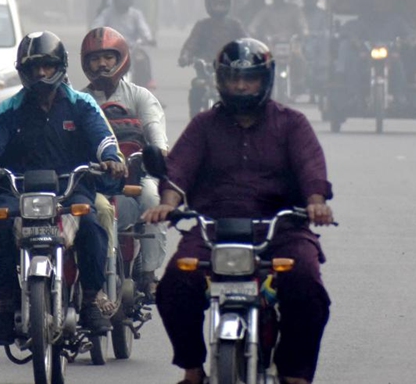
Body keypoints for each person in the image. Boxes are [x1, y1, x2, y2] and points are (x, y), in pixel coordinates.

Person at [142, 38, 334, 384]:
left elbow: (310, 167)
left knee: (306, 284)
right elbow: (179, 169)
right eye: (233, 78)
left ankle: (294, 373)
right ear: (221, 80)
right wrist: (167, 205)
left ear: (266, 79)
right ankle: (192, 369)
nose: (241, 86)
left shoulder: (292, 123)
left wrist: (316, 201)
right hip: (213, 229)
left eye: (250, 78)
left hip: (281, 228)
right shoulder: (203, 125)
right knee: (173, 285)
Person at [0, 30, 127, 345]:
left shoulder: (82, 104)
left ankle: (91, 298)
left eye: (47, 66)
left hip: (70, 188)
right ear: (24, 69)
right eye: (34, 66)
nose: (41, 73)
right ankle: (8, 301)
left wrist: (110, 158)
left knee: (91, 223)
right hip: (18, 190)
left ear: (60, 66)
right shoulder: (9, 108)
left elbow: (103, 138)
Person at [78, 26, 169, 299]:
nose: (102, 64)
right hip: (94, 176)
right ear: (86, 63)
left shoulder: (140, 96)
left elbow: (155, 132)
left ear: (122, 60)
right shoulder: (79, 100)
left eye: (109, 57)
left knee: (154, 197)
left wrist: (158, 153)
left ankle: (149, 273)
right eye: (95, 58)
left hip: (137, 174)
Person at [178, 0, 247, 117]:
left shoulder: (235, 25)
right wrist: (185, 56)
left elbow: (246, 43)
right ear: (208, 5)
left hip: (230, 69)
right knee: (197, 87)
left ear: (228, 4)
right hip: (205, 70)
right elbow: (191, 44)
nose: (219, 8)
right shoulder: (202, 25)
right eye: (215, 4)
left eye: (222, 4)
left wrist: (250, 56)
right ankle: (195, 120)